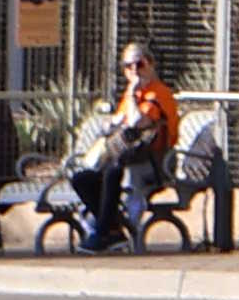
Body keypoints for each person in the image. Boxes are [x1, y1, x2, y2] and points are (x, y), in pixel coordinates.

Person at [70, 40, 181, 250]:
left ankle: (103, 232)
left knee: (114, 173)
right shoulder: (134, 94)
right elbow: (117, 121)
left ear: (151, 64)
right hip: (128, 158)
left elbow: (137, 122)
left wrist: (131, 94)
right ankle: (112, 228)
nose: (134, 71)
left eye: (139, 64)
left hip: (154, 162)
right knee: (82, 180)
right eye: (128, 67)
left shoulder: (158, 93)